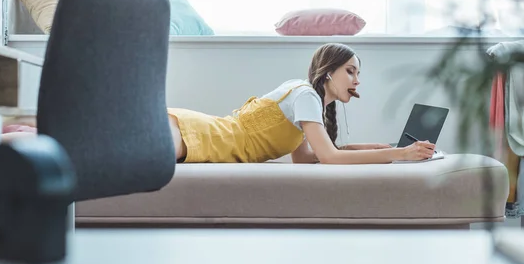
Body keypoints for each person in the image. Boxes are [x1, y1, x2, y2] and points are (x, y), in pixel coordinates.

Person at [168, 43, 436, 164]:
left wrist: (363, 147)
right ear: (329, 71)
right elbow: (329, 158)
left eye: (358, 73)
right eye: (350, 71)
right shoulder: (306, 95)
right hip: (203, 135)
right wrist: (399, 153)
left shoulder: (309, 100)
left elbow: (306, 159)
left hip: (203, 135)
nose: (357, 81)